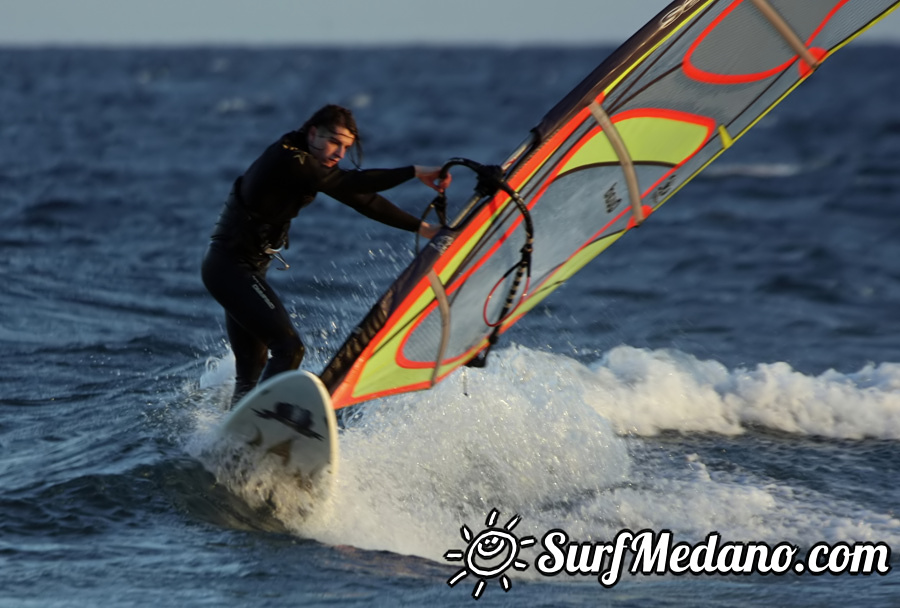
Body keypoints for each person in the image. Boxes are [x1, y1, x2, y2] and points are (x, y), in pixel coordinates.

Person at [202, 104, 450, 407]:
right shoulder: (289, 159)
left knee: (251, 371)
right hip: (230, 269)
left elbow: (364, 201)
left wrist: (422, 229)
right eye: (334, 141)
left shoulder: (310, 165)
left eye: (346, 146)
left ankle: (235, 438)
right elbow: (350, 184)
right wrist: (413, 171)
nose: (339, 153)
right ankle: (264, 420)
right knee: (289, 348)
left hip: (244, 270)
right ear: (313, 133)